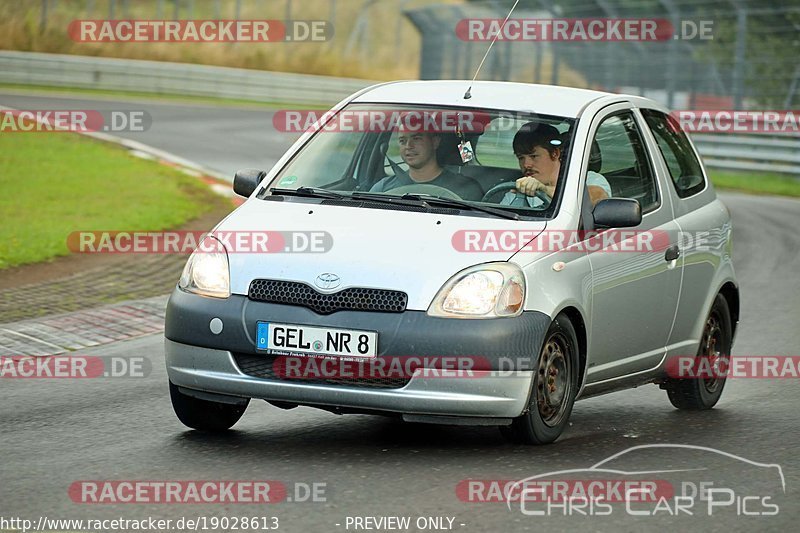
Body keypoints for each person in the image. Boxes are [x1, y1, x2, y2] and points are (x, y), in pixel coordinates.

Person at [512, 122, 611, 207]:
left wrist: (544, 189)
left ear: (555, 153)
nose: (526, 165)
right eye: (521, 158)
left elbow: (598, 197)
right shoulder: (518, 190)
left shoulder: (590, 179)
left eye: (533, 156)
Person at [370, 129, 484, 201]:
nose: (408, 146)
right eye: (402, 141)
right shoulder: (382, 189)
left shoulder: (466, 189)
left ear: (435, 142)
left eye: (416, 138)